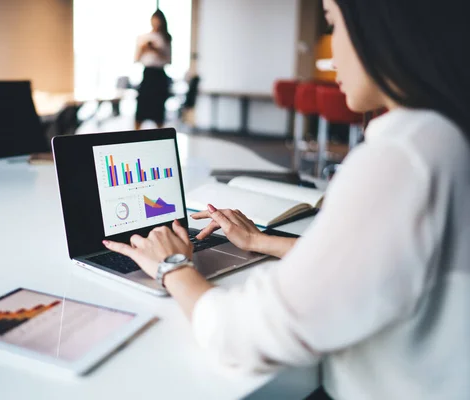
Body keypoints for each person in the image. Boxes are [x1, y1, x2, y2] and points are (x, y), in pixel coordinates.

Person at [104, 0, 470, 398]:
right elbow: (378, 264)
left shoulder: (401, 158)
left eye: (332, 23)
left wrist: (173, 267)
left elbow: (244, 336)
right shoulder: (447, 136)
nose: (328, 51)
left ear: (382, 24)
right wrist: (264, 242)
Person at [134, 9, 172, 130]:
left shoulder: (165, 38)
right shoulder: (143, 38)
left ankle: (160, 137)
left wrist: (158, 50)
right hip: (147, 74)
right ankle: (134, 137)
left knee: (158, 109)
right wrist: (144, 48)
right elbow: (136, 59)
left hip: (159, 76)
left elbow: (169, 60)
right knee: (141, 108)